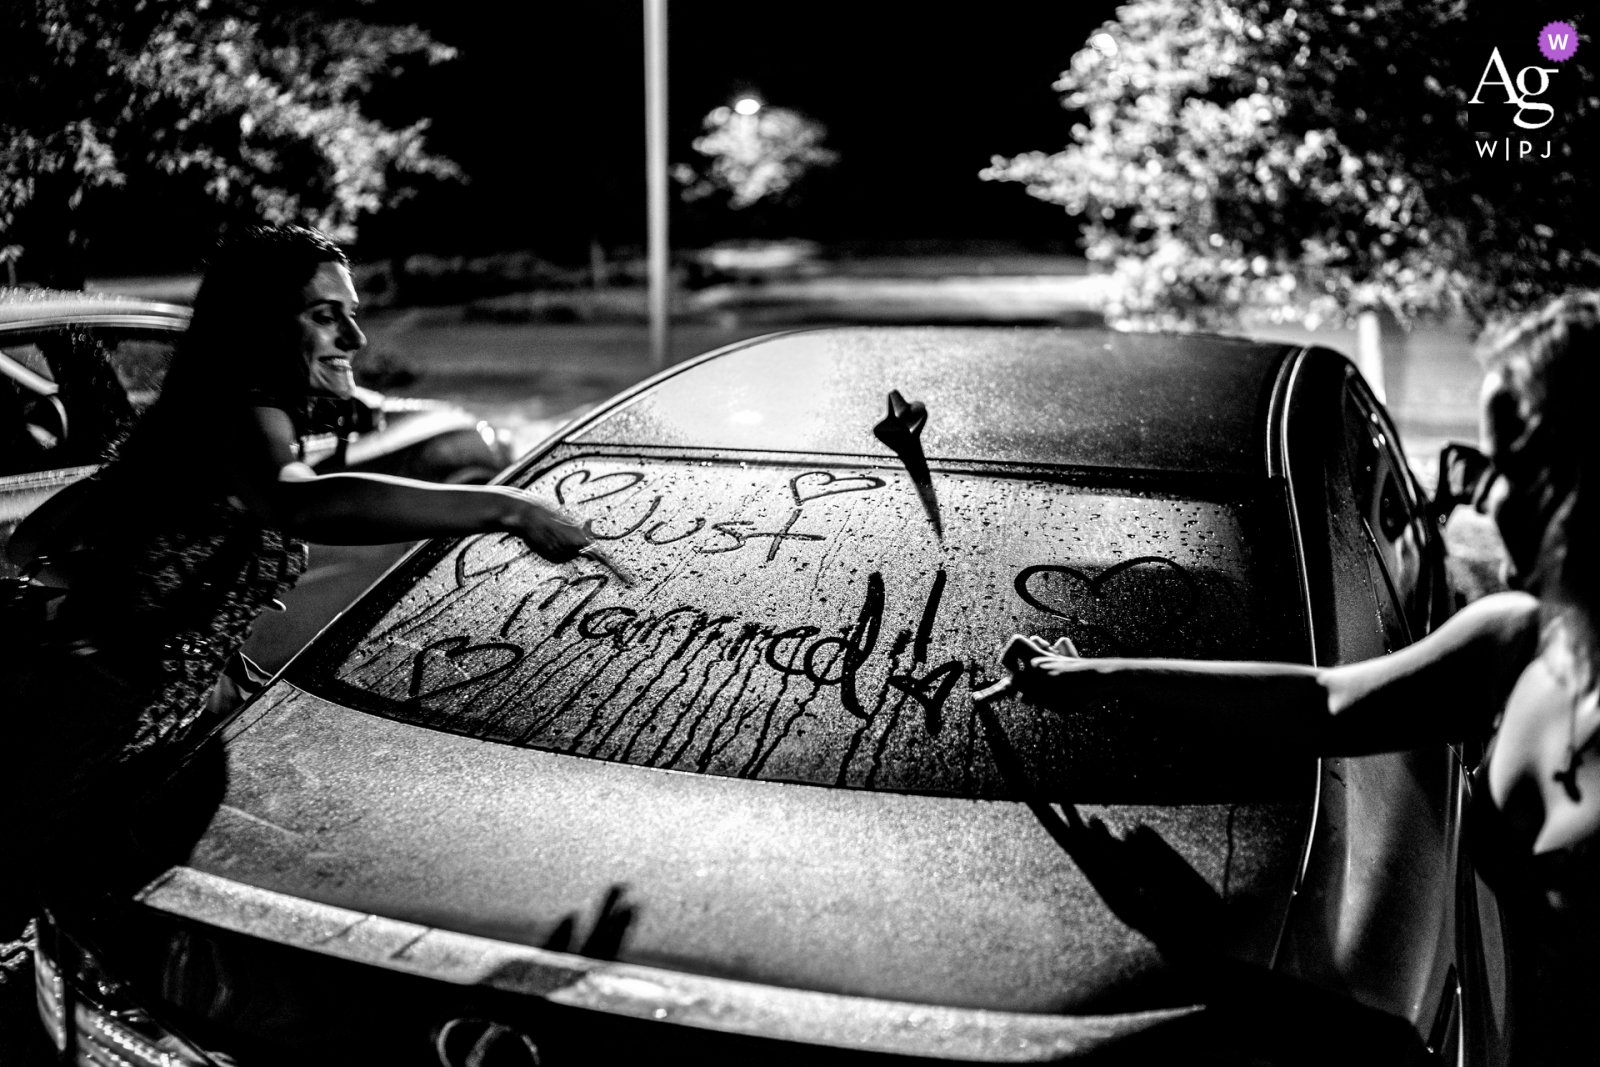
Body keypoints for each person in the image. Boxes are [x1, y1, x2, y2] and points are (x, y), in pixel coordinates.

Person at [1, 224, 591, 843]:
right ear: (261, 324)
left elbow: (26, 545)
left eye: (352, 316)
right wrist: (505, 508)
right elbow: (296, 502)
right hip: (105, 733)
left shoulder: (191, 417)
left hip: (113, 712)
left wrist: (161, 604)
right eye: (325, 315)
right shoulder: (238, 413)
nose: (356, 338)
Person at [988, 290, 1600, 866]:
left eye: (1512, 466)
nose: (1484, 502)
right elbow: (1322, 703)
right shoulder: (1519, 640)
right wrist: (1104, 676)